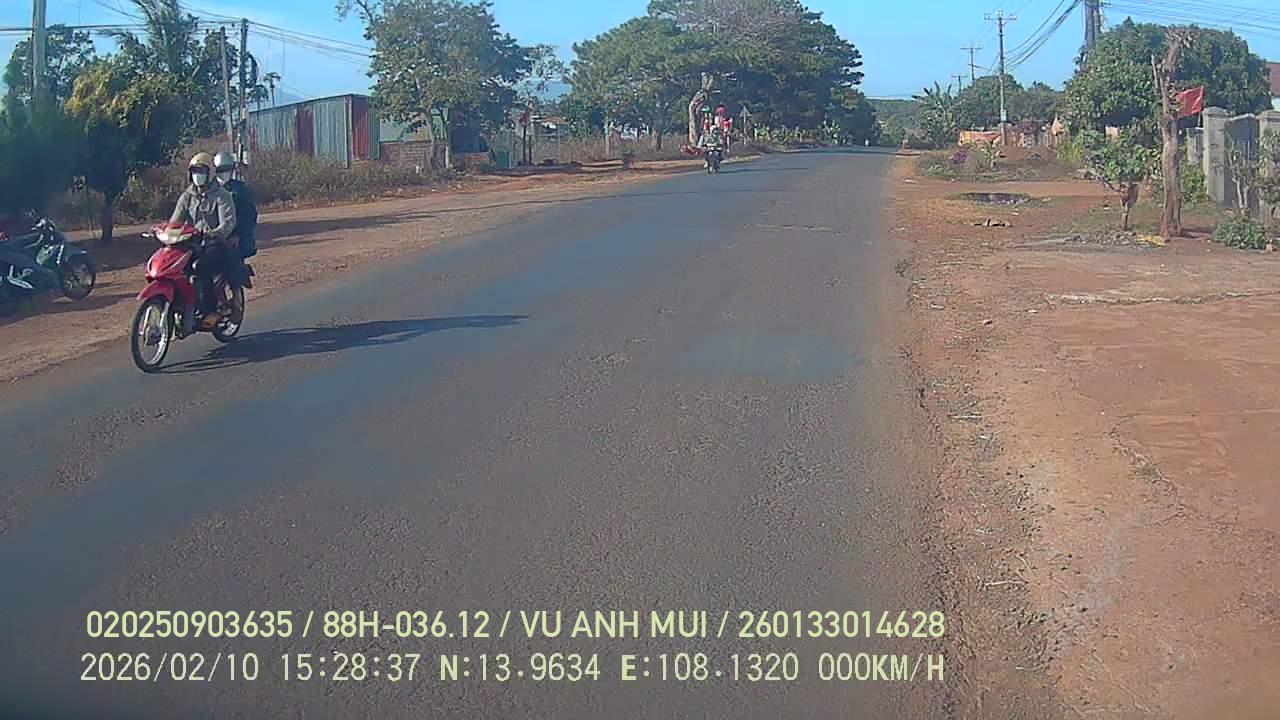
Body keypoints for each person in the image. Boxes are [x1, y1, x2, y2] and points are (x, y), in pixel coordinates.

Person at [169, 152, 236, 330]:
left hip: (214, 244)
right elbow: (175, 221)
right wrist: (167, 232)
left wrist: (213, 234)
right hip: (191, 243)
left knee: (201, 267)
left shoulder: (222, 195)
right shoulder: (187, 196)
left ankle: (211, 310)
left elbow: (228, 224)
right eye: (194, 171)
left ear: (210, 174)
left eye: (201, 171)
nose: (197, 175)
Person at [213, 152, 258, 289]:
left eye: (227, 169)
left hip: (236, 238)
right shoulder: (209, 190)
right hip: (213, 236)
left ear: (232, 169)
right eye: (220, 169)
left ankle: (235, 294)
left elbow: (249, 216)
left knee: (232, 266)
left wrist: (238, 235)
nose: (223, 173)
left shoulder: (241, 190)